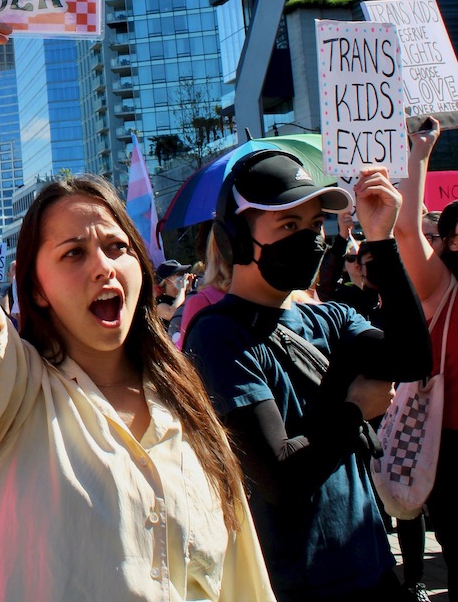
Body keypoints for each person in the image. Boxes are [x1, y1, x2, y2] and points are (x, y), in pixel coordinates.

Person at [0, 0, 273, 601]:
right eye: (74, 254)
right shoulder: (12, 398)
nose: (103, 267)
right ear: (37, 285)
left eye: (115, 248)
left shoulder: (187, 405)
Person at [184, 150, 432, 601]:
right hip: (296, 587)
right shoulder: (218, 337)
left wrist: (381, 239)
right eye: (288, 226)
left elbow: (414, 358)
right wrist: (355, 409)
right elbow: (281, 478)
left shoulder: (329, 320)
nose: (310, 240)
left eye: (314, 225)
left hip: (373, 570)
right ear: (235, 241)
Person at [392, 117, 457, 595]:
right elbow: (407, 234)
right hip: (452, 446)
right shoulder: (441, 286)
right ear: (452, 241)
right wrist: (419, 155)